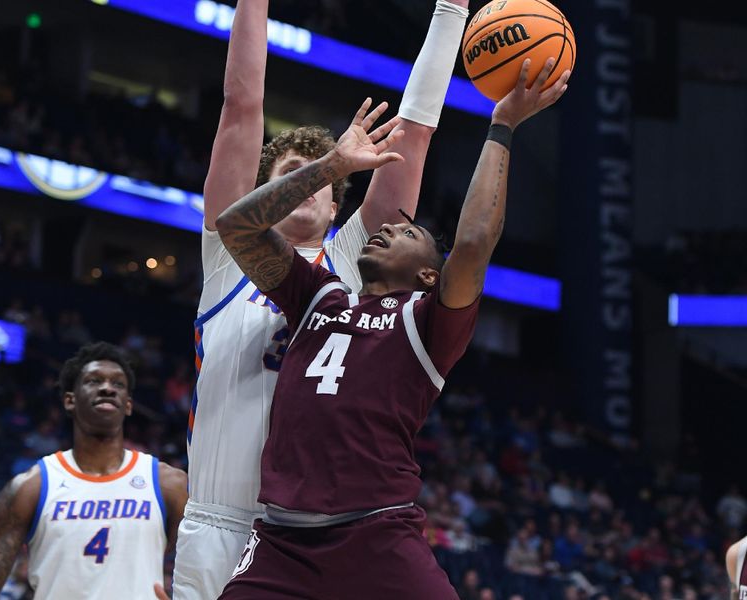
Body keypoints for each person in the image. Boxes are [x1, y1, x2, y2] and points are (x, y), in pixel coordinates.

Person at [215, 58, 570, 599]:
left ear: (430, 273)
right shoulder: (318, 296)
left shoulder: (430, 323)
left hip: (377, 534)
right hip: (281, 542)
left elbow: (473, 243)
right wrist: (332, 167)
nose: (388, 229)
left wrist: (502, 126)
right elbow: (235, 226)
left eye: (408, 232)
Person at [175, 0, 472, 597]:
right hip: (217, 522)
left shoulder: (354, 264)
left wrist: (450, 13)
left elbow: (413, 134)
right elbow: (241, 107)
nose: (308, 180)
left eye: (324, 177)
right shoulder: (228, 251)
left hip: (308, 533)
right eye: (293, 171)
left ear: (338, 206)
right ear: (272, 189)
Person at [0, 342, 188, 600]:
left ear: (128, 405)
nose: (107, 388)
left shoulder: (168, 483)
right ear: (70, 400)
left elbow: (209, 567)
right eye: (94, 380)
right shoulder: (31, 487)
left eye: (118, 384)